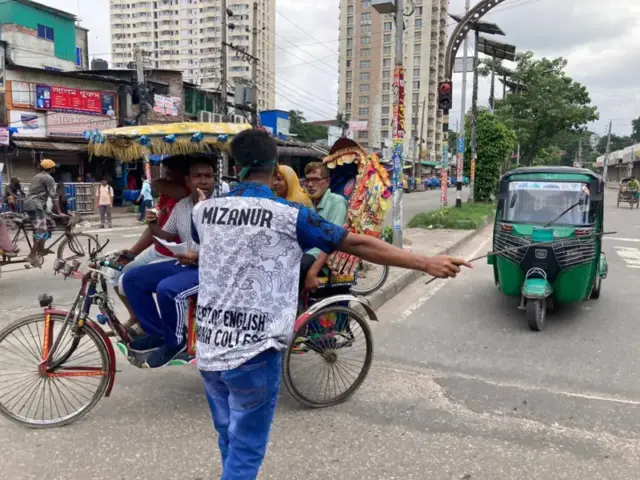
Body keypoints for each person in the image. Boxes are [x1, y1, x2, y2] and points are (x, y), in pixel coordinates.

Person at [191, 129, 470, 479]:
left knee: (229, 437)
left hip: (209, 348)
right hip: (254, 351)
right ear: (276, 166)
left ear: (236, 165)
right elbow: (357, 244)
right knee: (246, 449)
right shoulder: (289, 215)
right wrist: (425, 263)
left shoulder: (203, 211)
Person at [122, 157, 215, 367]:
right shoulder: (182, 205)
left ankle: (176, 342)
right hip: (186, 264)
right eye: (197, 176)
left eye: (208, 176)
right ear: (187, 181)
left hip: (212, 269)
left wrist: (202, 212)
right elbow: (167, 234)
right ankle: (160, 334)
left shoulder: (221, 206)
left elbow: (226, 247)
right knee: (131, 279)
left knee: (168, 289)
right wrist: (152, 223)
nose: (203, 181)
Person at [115, 162, 190, 336]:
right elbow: (163, 234)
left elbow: (168, 236)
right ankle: (141, 321)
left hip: (179, 257)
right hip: (161, 249)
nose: (166, 177)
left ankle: (162, 333)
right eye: (166, 173)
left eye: (170, 173)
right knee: (117, 273)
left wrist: (155, 182)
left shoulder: (188, 198)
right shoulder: (170, 199)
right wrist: (133, 253)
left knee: (164, 288)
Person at [300, 161, 348, 291]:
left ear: (327, 182)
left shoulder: (336, 201)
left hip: (324, 259)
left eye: (316, 180)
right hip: (308, 253)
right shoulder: (311, 204)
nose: (310, 184)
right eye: (308, 180)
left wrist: (312, 273)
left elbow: (331, 241)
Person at [23, 159, 68, 266]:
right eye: (54, 168)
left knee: (49, 223)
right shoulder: (49, 178)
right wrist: (60, 212)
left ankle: (41, 249)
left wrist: (54, 214)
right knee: (41, 230)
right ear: (51, 168)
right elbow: (54, 196)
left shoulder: (36, 176)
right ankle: (32, 255)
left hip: (33, 205)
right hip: (36, 205)